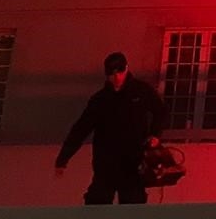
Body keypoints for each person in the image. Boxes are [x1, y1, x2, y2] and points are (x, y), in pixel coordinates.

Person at [55, 52, 168, 205]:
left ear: (127, 68)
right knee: (97, 203)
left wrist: (155, 135)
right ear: (107, 75)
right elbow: (80, 129)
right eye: (112, 74)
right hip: (106, 164)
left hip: (133, 162)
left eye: (120, 72)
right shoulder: (100, 100)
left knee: (132, 204)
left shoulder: (141, 91)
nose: (117, 78)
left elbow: (160, 112)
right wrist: (63, 159)